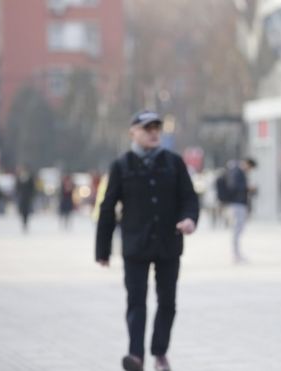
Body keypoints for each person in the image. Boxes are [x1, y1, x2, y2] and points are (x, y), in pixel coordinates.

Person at [95, 110, 200, 371]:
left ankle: (160, 353)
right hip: (135, 245)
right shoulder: (121, 166)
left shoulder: (174, 163)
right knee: (136, 302)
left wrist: (189, 219)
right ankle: (136, 356)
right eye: (147, 128)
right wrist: (103, 249)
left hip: (169, 244)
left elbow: (189, 198)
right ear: (133, 133)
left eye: (157, 128)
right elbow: (108, 208)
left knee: (167, 302)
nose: (153, 133)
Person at [222, 158, 256, 263]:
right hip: (236, 203)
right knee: (237, 228)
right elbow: (233, 187)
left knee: (238, 229)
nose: (249, 170)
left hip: (239, 203)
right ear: (247, 164)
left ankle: (237, 253)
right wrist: (247, 188)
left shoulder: (238, 172)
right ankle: (235, 254)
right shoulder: (237, 172)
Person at [15, 167, 36, 233]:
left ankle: (25, 223)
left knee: (27, 211)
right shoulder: (19, 179)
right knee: (22, 211)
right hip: (22, 198)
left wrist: (31, 196)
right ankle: (24, 223)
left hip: (27, 198)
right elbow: (17, 188)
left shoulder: (30, 179)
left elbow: (32, 188)